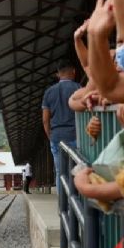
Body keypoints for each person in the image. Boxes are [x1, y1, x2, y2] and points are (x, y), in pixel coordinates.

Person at [42, 63, 81, 195]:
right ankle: (77, 202)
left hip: (57, 136)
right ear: (74, 72)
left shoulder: (49, 92)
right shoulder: (79, 88)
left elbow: (45, 119)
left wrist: (50, 136)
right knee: (78, 169)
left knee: (60, 172)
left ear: (58, 74)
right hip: (77, 136)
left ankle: (63, 205)